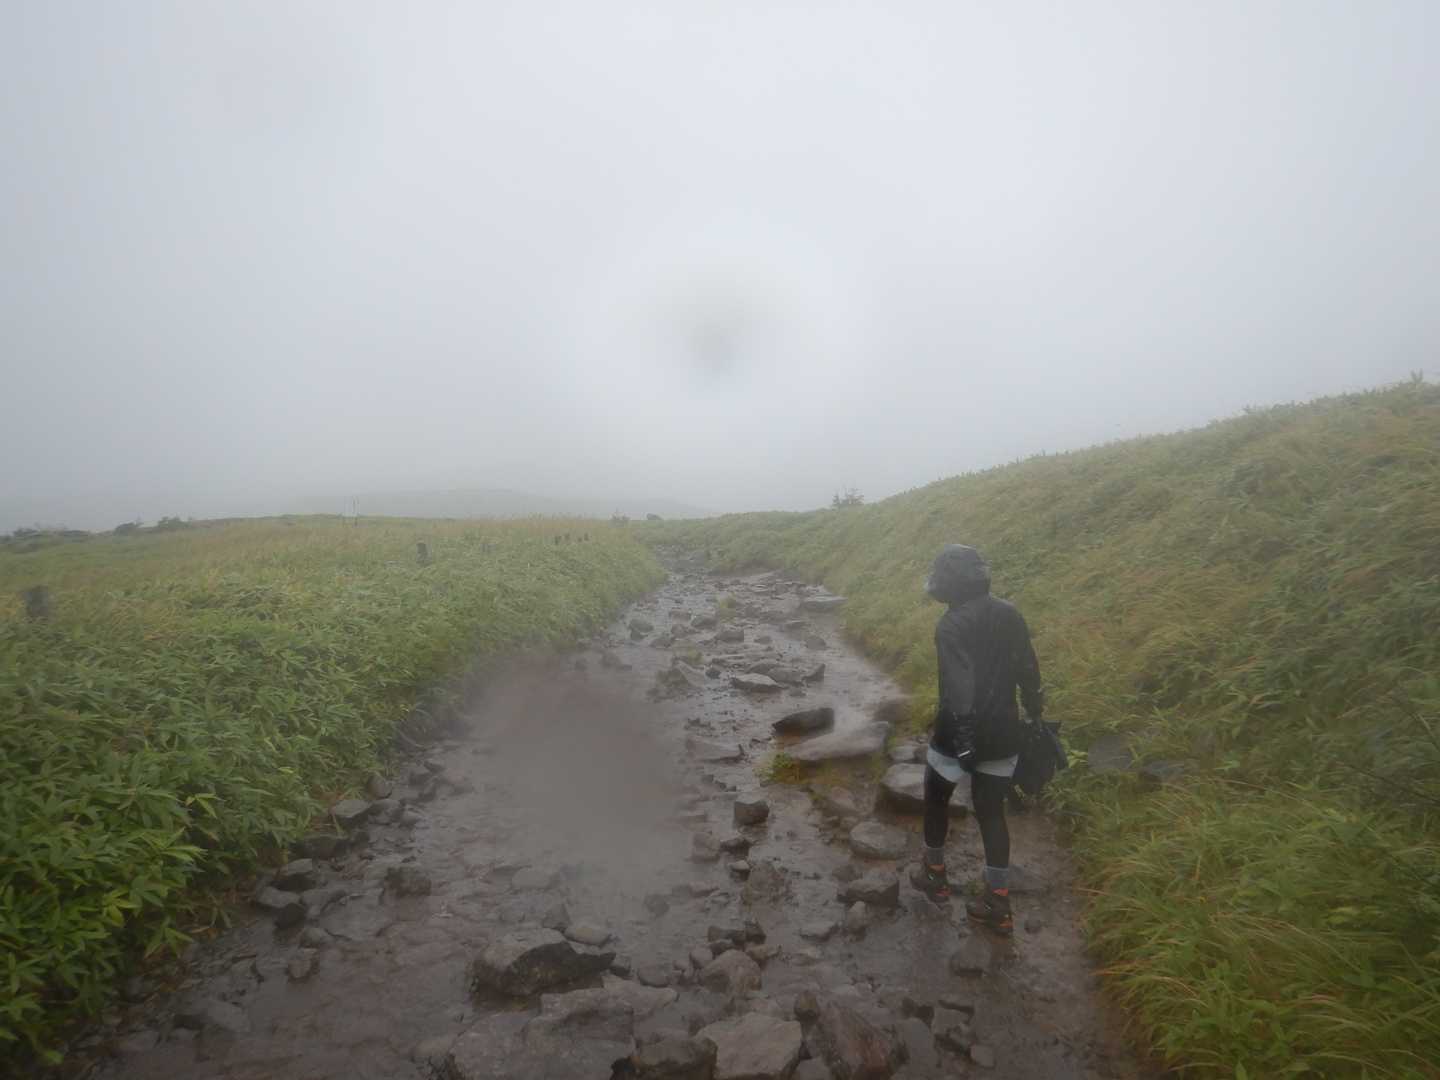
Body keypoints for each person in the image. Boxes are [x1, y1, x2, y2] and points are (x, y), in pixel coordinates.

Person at [911, 544, 1044, 933]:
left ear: (950, 583)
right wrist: (1034, 711)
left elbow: (960, 685)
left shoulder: (950, 625)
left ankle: (934, 874)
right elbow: (1028, 668)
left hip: (956, 733)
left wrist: (965, 738)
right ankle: (998, 901)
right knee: (991, 811)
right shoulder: (1010, 613)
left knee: (936, 798)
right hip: (1004, 730)